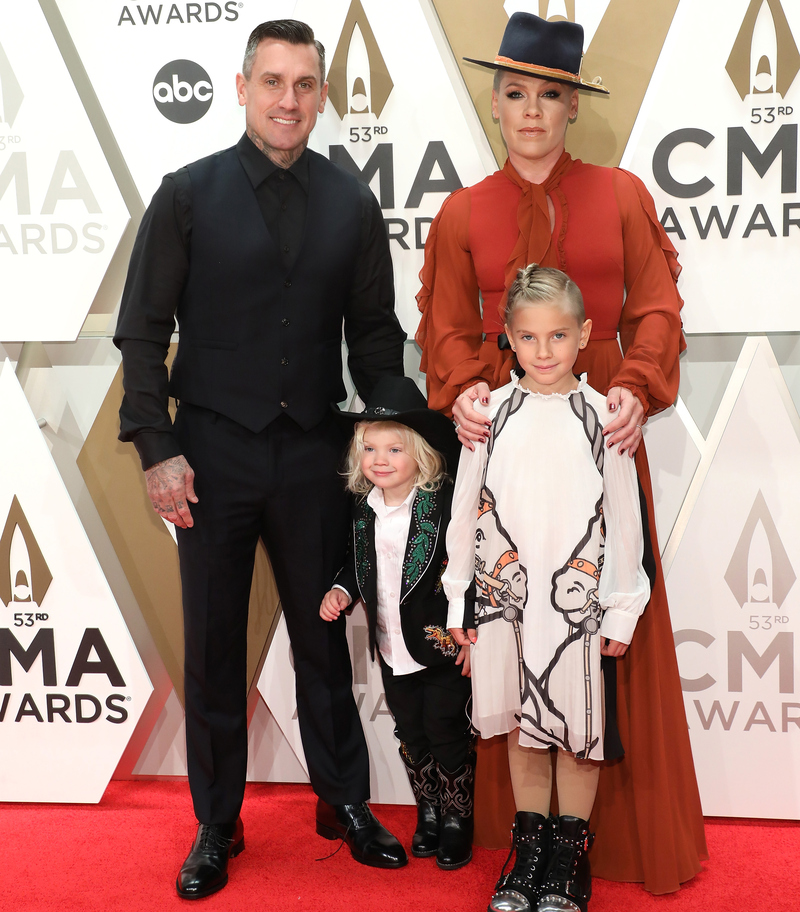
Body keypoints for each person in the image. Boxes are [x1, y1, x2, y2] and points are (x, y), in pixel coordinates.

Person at [114, 19, 408, 900]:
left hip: (316, 454)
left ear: (322, 96)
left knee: (326, 636)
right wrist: (156, 447)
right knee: (210, 645)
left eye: (305, 84)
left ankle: (345, 803)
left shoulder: (351, 204)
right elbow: (141, 330)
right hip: (207, 455)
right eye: (273, 82)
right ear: (240, 88)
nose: (289, 100)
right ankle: (216, 822)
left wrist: (394, 432)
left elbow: (376, 338)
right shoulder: (187, 194)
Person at [415, 11, 707, 895]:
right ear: (495, 105)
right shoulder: (463, 211)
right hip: (505, 449)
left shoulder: (622, 194)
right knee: (515, 636)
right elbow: (444, 326)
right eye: (515, 93)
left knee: (604, 628)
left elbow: (656, 307)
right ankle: (531, 840)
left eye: (550, 94)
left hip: (604, 428)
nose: (532, 111)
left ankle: (585, 847)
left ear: (572, 105)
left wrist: (640, 385)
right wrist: (466, 387)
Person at [445, 264, 650, 912]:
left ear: (585, 333)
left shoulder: (602, 417)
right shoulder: (489, 415)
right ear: (508, 336)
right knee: (521, 726)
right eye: (529, 337)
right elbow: (464, 511)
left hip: (578, 611)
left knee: (578, 730)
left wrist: (621, 609)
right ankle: (529, 849)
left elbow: (624, 519)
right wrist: (458, 601)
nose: (544, 352)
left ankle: (568, 857)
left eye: (558, 336)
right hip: (506, 605)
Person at [320, 376, 475, 870]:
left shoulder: (441, 505)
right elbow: (356, 562)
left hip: (441, 646)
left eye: (393, 449)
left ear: (422, 455)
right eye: (369, 448)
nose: (379, 459)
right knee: (411, 731)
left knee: (446, 728)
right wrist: (342, 590)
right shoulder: (363, 511)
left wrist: (469, 630)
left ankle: (457, 820)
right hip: (391, 648)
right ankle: (428, 811)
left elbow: (466, 568)